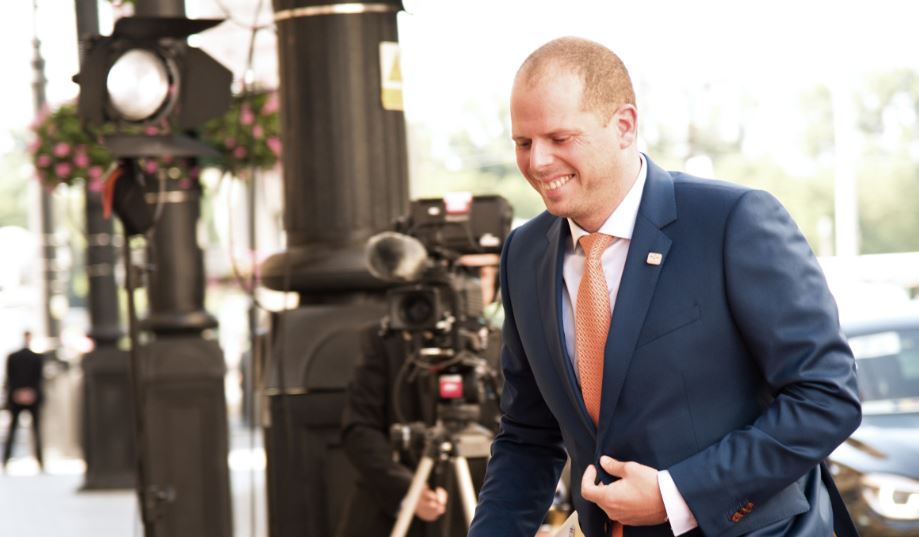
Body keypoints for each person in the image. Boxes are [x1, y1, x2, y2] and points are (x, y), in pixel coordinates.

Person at [467, 37, 861, 537]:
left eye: (560, 138)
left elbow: (826, 396)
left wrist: (678, 494)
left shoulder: (732, 221)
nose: (538, 161)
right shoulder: (523, 254)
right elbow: (527, 435)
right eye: (523, 143)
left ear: (624, 126)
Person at [337, 259, 500, 537]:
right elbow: (358, 429)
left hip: (476, 512)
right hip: (391, 515)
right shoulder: (386, 340)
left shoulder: (505, 344)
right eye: (458, 271)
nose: (465, 286)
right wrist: (407, 490)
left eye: (479, 274)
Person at [2, 331, 46, 471]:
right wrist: (27, 392)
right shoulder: (33, 357)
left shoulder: (15, 356)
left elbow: (10, 379)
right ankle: (38, 461)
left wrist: (19, 392)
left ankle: (7, 460)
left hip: (21, 395)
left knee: (28, 430)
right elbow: (38, 379)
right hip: (26, 396)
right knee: (25, 430)